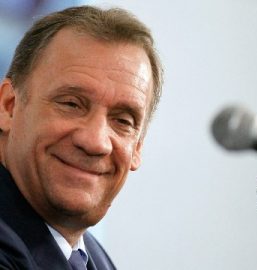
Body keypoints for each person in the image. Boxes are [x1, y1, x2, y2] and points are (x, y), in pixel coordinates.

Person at [0, 5, 163, 270]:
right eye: (71, 104)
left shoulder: (93, 258)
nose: (95, 142)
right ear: (9, 105)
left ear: (138, 148)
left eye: (123, 121)